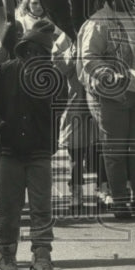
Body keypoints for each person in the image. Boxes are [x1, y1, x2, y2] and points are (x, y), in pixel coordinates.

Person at [0, 20, 60, 270]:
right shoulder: (5, 71)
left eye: (43, 53)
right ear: (23, 49)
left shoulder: (53, 77)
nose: (36, 56)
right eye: (31, 50)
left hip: (39, 151)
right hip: (8, 150)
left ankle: (42, 256)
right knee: (7, 207)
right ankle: (6, 252)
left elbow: (59, 108)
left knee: (41, 208)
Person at [78, 0, 135, 219]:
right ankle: (120, 200)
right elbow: (89, 57)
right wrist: (109, 75)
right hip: (111, 95)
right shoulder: (98, 22)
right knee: (115, 151)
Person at [53, 30, 98, 216]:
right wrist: (72, 52)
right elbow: (58, 61)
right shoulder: (68, 33)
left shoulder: (98, 26)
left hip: (99, 95)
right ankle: (76, 192)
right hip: (77, 100)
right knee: (76, 151)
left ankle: (104, 189)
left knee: (101, 148)